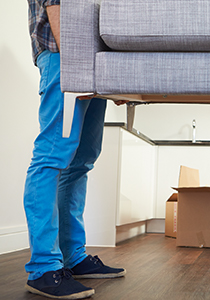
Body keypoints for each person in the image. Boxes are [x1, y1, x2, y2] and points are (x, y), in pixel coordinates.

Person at [24, 1, 126, 299]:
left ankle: (74, 257)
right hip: (63, 58)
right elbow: (57, 6)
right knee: (51, 157)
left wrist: (114, 79)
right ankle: (43, 267)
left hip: (89, 65)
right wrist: (76, 67)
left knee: (81, 161)